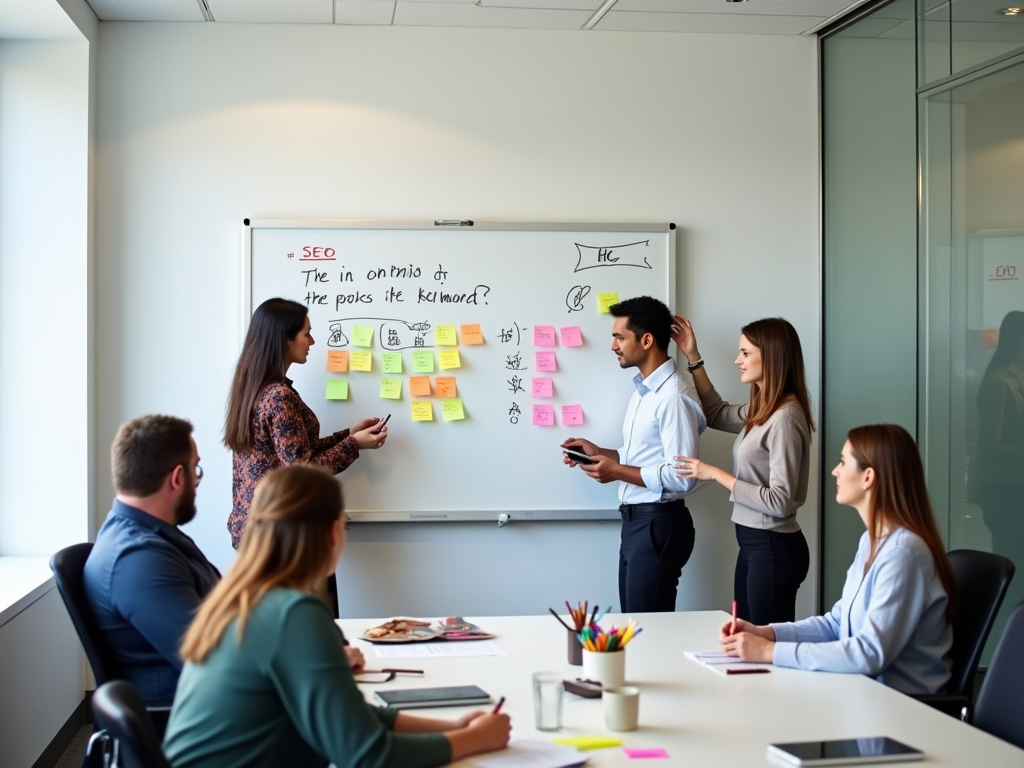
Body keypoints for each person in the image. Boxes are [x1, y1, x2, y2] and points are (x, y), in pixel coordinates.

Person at [163, 464, 511, 768]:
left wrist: (454, 727)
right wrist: (476, 740)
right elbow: (366, 756)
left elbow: (351, 718)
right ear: (332, 532)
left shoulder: (241, 599)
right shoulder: (294, 613)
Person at [720, 424, 955, 695]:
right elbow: (836, 624)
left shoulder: (903, 553)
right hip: (864, 695)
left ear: (868, 477)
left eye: (843, 462)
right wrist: (766, 633)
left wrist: (771, 652)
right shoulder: (872, 541)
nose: (835, 471)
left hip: (901, 710)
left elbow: (868, 653)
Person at [224, 298, 386, 614]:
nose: (312, 342)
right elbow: (302, 470)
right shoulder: (278, 397)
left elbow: (297, 452)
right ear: (284, 338)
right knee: (313, 631)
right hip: (286, 540)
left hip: (261, 535)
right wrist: (354, 445)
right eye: (306, 334)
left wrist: (349, 434)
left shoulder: (256, 390)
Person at [561, 296, 705, 613]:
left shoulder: (672, 397)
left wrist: (615, 471)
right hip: (637, 524)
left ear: (647, 340)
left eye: (619, 337)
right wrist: (600, 453)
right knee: (634, 626)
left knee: (647, 631)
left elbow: (683, 476)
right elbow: (643, 455)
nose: (613, 345)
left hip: (658, 524)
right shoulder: (645, 391)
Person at [672, 316, 813, 624]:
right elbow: (716, 413)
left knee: (766, 650)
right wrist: (693, 357)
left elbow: (780, 501)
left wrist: (715, 474)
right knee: (747, 639)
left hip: (773, 546)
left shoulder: (786, 418)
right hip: (753, 543)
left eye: (746, 353)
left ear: (773, 356)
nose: (737, 360)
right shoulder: (765, 408)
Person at [83, 415, 220, 707]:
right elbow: (214, 661)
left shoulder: (153, 536)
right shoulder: (138, 561)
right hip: (192, 720)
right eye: (195, 469)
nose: (197, 480)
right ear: (177, 478)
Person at [974, 310, 1024, 649]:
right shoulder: (999, 384)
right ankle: (1005, 646)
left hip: (1011, 490)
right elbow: (990, 448)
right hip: (1003, 494)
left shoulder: (1013, 379)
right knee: (1012, 571)